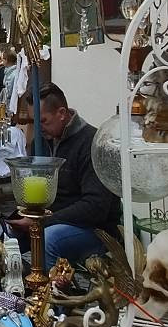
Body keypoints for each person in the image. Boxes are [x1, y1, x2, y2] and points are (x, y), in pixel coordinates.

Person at [7, 82, 120, 268]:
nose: (38, 128)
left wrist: (44, 221)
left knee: (48, 240)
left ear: (61, 113)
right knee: (7, 238)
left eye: (43, 121)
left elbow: (95, 207)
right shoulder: (41, 142)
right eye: (34, 122)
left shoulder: (93, 144)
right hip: (52, 220)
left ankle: (53, 294)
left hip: (95, 229)